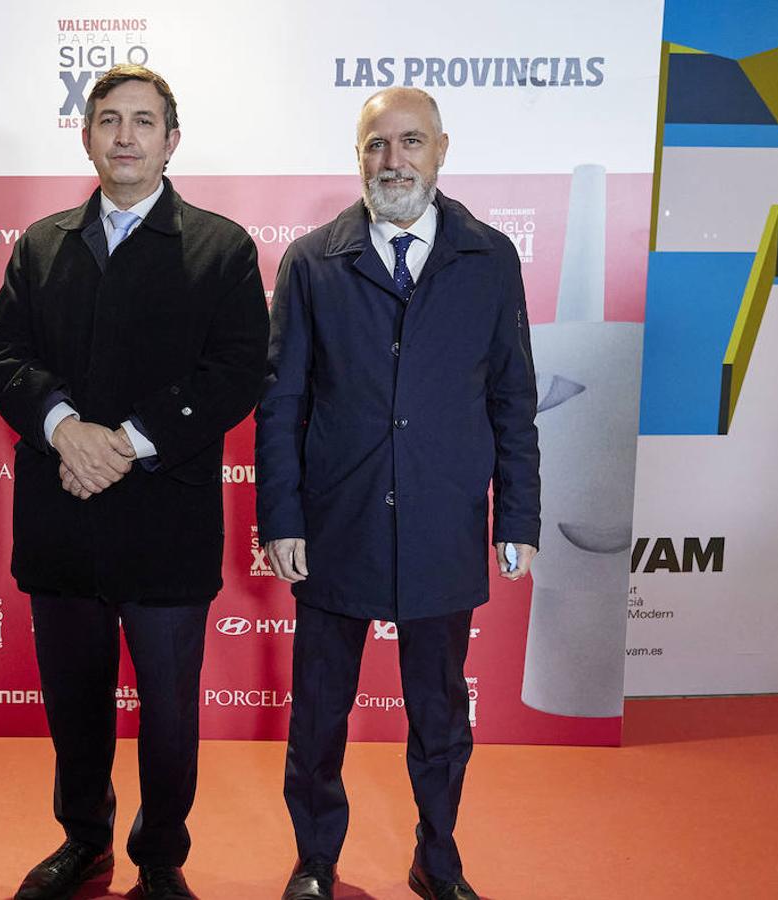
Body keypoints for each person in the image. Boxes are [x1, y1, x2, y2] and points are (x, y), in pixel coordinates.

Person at [0, 64, 269, 900]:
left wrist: (130, 442)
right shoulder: (41, 245)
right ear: (87, 135)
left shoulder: (220, 247)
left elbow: (237, 370)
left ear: (171, 141)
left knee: (171, 714)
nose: (126, 137)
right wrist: (65, 429)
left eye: (144, 122)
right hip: (63, 519)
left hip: (165, 526)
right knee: (75, 705)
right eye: (110, 120)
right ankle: (84, 840)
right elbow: (0, 351)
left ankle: (162, 857)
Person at [255, 87, 540, 900]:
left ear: (441, 149)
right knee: (317, 712)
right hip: (336, 521)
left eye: (410, 143)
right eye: (376, 146)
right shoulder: (312, 260)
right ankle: (315, 860)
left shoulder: (491, 259)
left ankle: (437, 856)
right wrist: (282, 515)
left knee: (441, 716)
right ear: (359, 157)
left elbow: (512, 399)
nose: (393, 161)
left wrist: (516, 515)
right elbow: (283, 403)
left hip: (443, 520)